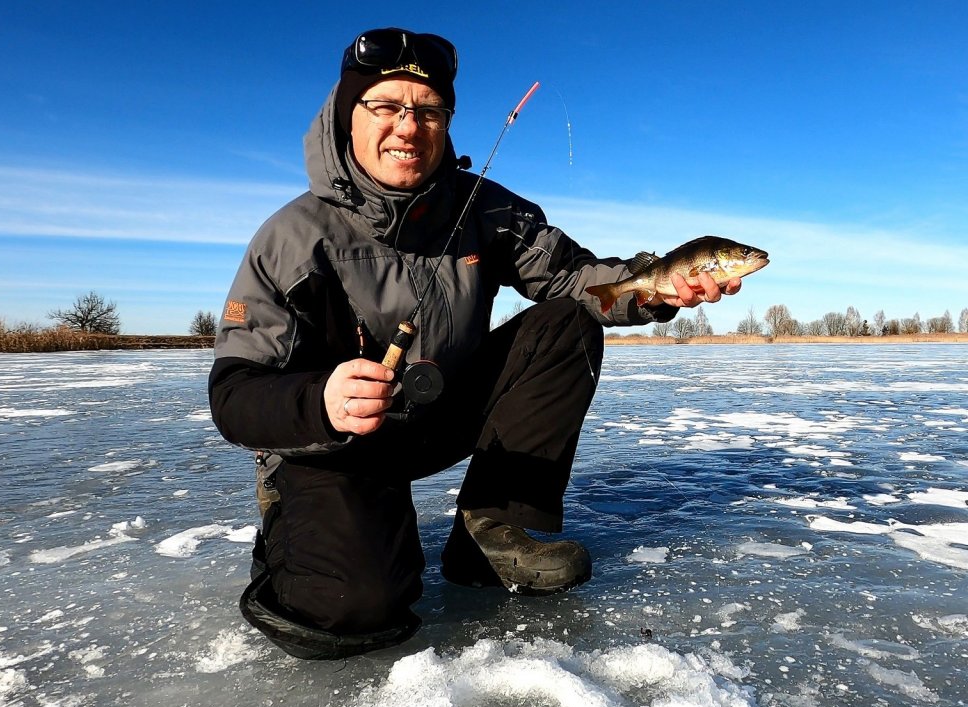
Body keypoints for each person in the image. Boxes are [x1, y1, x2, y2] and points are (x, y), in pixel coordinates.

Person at [209, 27, 740, 660]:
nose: (409, 126)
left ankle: (494, 531)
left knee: (567, 322)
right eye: (386, 106)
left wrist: (653, 291)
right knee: (353, 607)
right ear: (347, 115)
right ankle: (296, 534)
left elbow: (576, 281)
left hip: (436, 411)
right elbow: (235, 392)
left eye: (429, 110)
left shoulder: (489, 212)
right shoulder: (291, 238)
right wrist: (319, 401)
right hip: (334, 445)